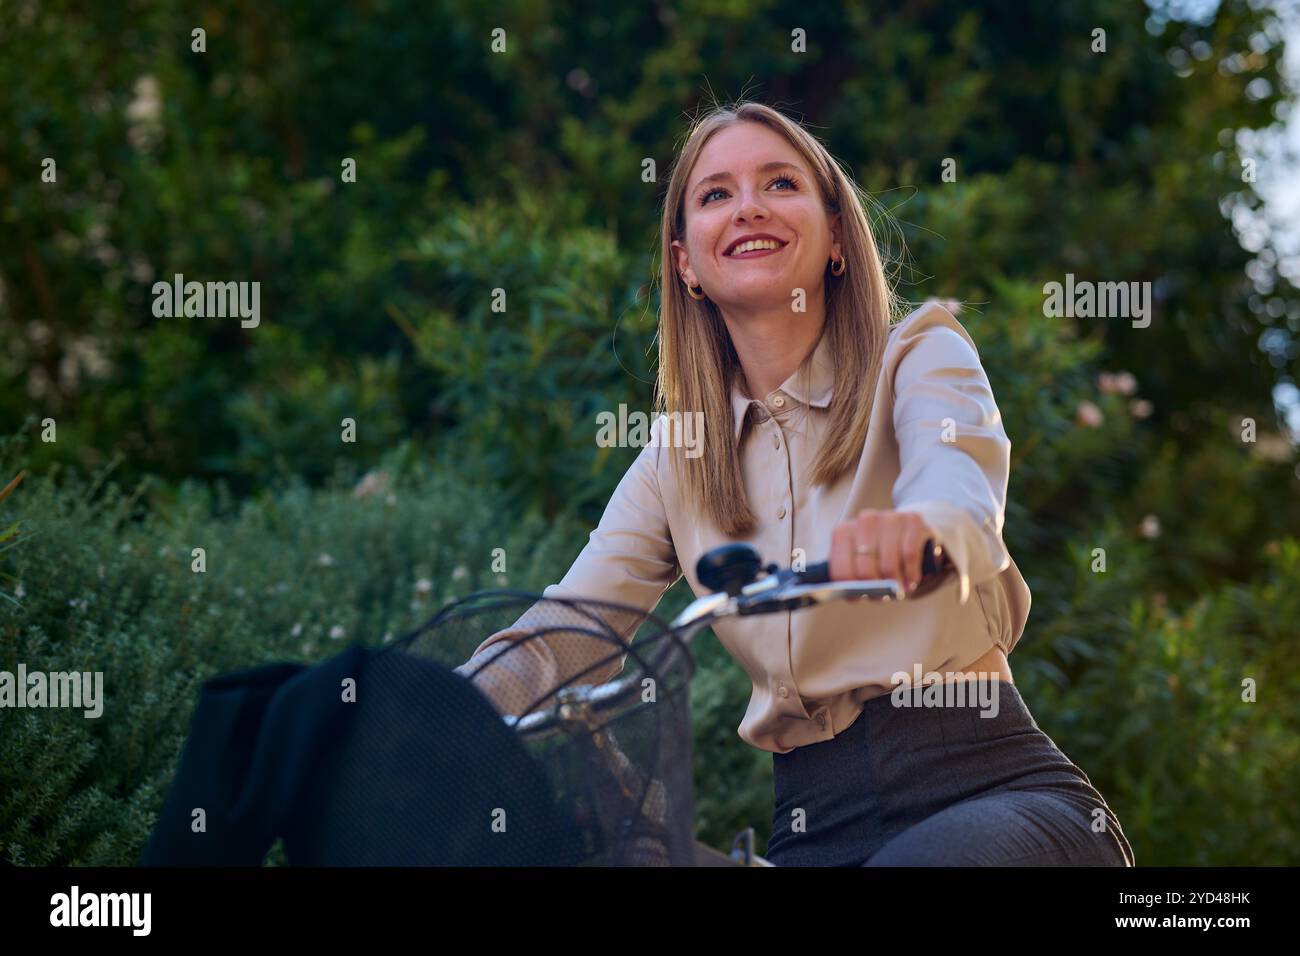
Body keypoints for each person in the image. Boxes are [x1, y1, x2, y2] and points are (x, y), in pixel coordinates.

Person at [455, 100, 1135, 867]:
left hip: (986, 790)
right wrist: (432, 710)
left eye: (780, 183)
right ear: (686, 263)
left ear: (837, 235)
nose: (748, 207)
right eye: (715, 194)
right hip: (811, 826)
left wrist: (924, 530)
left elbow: (960, 483)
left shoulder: (918, 357)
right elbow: (568, 634)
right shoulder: (678, 458)